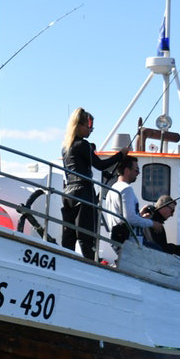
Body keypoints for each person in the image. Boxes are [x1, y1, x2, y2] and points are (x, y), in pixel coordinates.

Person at [60, 108, 127, 259]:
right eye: (89, 127)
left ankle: (65, 263)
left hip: (67, 193)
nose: (91, 130)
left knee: (69, 236)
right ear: (80, 125)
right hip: (83, 192)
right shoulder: (83, 145)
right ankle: (91, 266)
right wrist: (120, 155)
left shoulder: (65, 146)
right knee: (86, 236)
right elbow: (100, 165)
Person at [102, 155, 161, 243]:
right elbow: (130, 218)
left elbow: (124, 217)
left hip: (117, 239)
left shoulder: (113, 189)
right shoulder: (126, 189)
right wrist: (152, 224)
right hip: (130, 243)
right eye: (136, 170)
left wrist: (140, 215)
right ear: (126, 170)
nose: (138, 173)